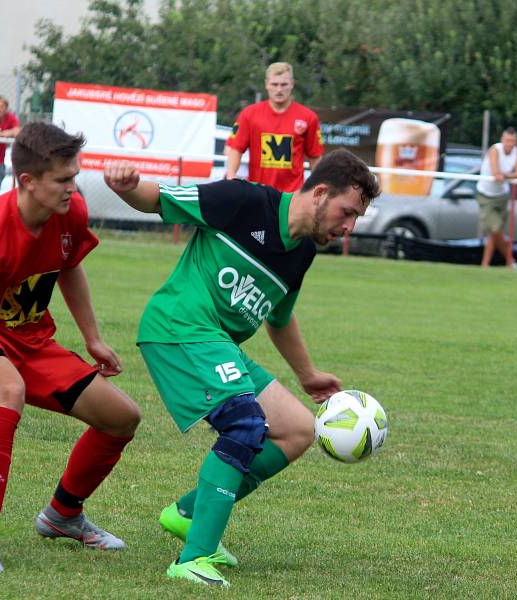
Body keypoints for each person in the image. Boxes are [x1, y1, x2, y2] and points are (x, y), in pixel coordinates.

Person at [104, 148, 380, 588]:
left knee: (297, 429)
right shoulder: (244, 201)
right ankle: (193, 558)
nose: (349, 226)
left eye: (357, 218)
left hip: (219, 344)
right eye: (347, 212)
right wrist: (126, 185)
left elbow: (280, 317)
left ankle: (190, 514)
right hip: (179, 327)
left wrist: (307, 374)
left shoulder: (303, 252)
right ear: (321, 192)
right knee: (246, 424)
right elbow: (159, 198)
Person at [0, 122, 140, 573]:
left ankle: (63, 515)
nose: (73, 187)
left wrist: (92, 338)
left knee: (122, 418)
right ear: (28, 181)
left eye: (74, 176)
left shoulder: (71, 211)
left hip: (30, 339)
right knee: (7, 391)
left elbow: (69, 265)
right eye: (63, 179)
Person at [225, 62, 324, 192]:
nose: (279, 89)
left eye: (284, 85)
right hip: (257, 193)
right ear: (266, 84)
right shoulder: (249, 114)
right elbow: (235, 149)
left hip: (292, 196)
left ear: (292, 84)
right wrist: (231, 176)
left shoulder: (308, 117)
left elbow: (315, 156)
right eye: (274, 84)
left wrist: (318, 184)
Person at [476, 127, 517, 268]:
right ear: (502, 140)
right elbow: (496, 173)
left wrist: (505, 176)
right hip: (486, 195)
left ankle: (485, 264)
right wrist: (503, 175)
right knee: (496, 230)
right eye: (507, 140)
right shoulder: (495, 150)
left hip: (502, 195)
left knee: (494, 233)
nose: (510, 144)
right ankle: (510, 261)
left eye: (513, 141)